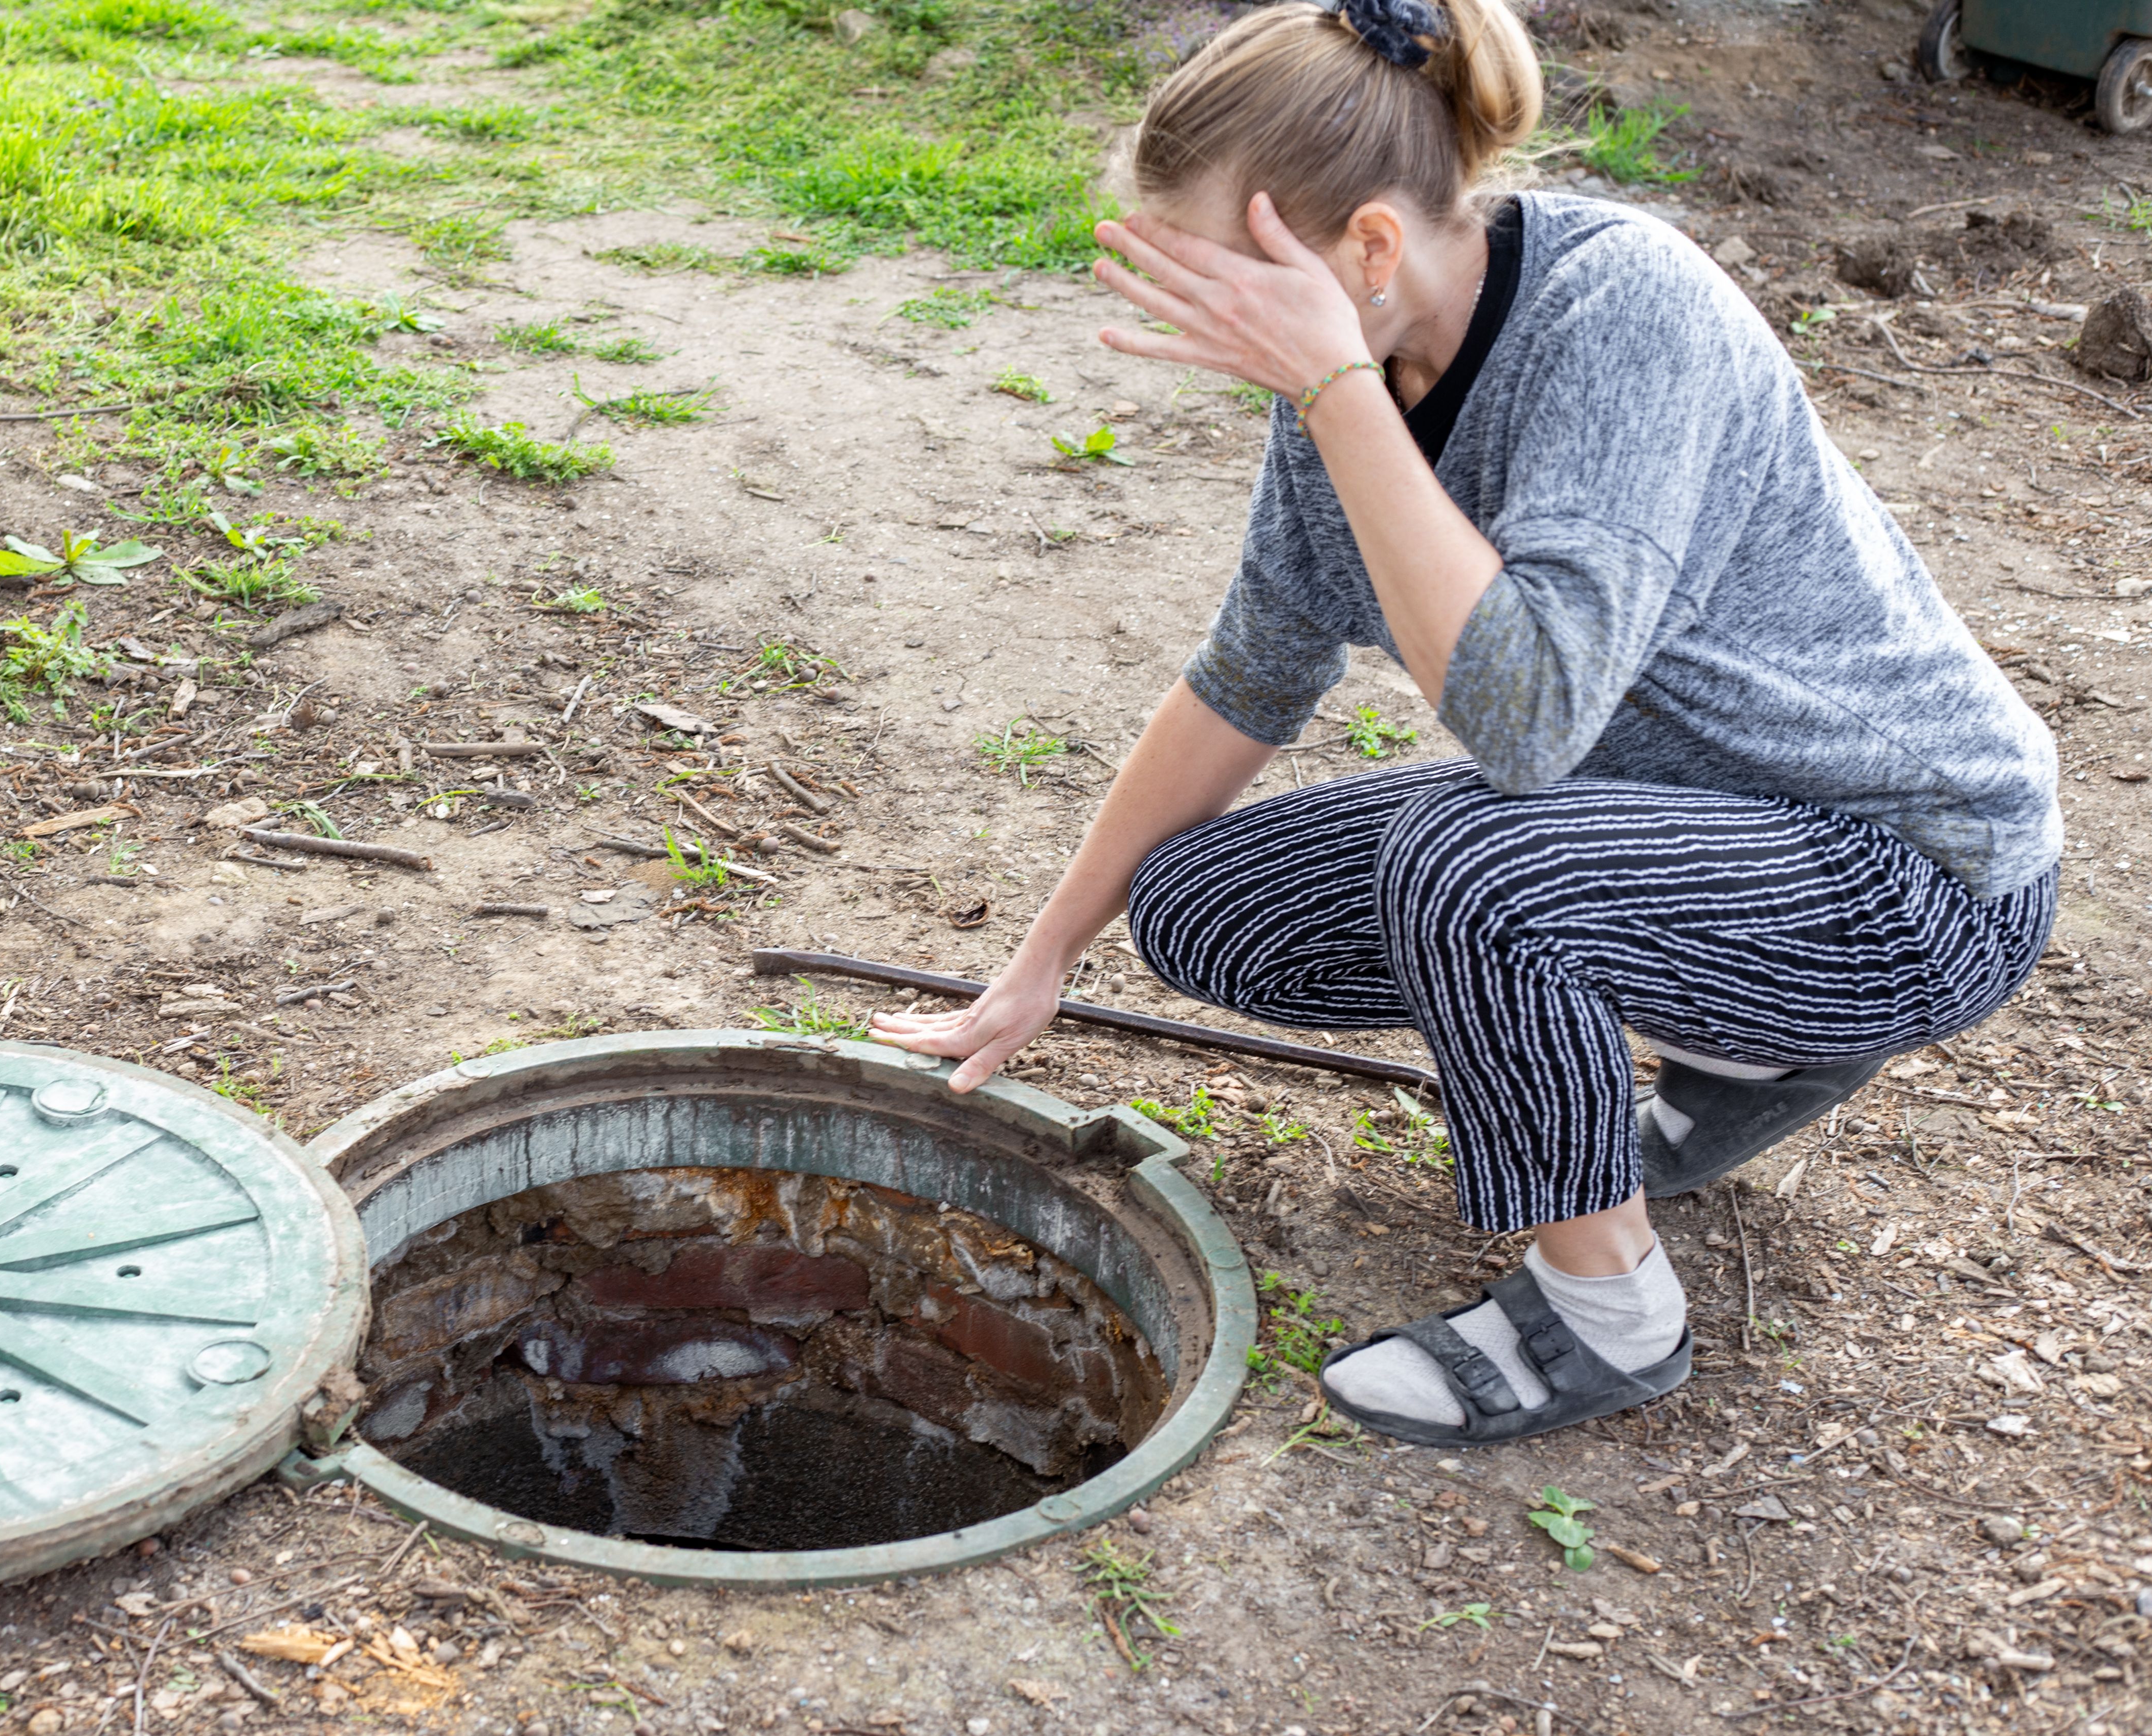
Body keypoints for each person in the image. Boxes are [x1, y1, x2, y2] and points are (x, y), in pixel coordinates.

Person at [868, 0, 2059, 1446]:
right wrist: (1041, 958)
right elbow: (1246, 675)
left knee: (1472, 861)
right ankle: (1749, 1046)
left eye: (1234, 288)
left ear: (1366, 251)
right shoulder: (1355, 378)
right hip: (1695, 835)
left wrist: (1330, 385)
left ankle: (1607, 1313)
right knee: (1200, 910)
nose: (1217, 333)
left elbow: (1524, 721)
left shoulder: (1623, 316)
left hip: (1909, 877)